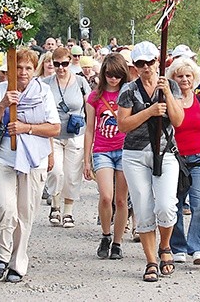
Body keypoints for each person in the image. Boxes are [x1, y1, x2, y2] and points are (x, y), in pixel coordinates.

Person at [0, 49, 61, 283]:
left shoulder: (43, 92)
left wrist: (27, 128)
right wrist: (3, 105)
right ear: (11, 69)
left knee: (25, 212)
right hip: (2, 156)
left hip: (32, 157)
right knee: (5, 207)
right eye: (19, 68)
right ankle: (0, 256)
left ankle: (18, 261)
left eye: (28, 68)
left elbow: (54, 128)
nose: (24, 72)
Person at [117, 41, 184, 282]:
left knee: (166, 205)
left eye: (150, 62)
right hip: (135, 154)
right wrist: (149, 111)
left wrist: (166, 95)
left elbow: (177, 120)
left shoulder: (171, 85)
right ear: (135, 66)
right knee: (144, 208)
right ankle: (151, 260)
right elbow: (122, 125)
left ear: (158, 62)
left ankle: (164, 246)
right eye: (140, 63)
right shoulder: (128, 90)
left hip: (165, 151)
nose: (146, 67)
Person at [167, 57, 200, 266]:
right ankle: (177, 246)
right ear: (173, 78)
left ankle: (198, 248)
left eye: (188, 76)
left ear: (194, 78)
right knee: (175, 203)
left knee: (199, 203)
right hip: (175, 159)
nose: (184, 79)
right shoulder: (169, 101)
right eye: (179, 76)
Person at [83, 53, 129, 259]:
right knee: (106, 195)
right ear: (104, 74)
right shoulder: (94, 96)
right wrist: (86, 159)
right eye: (110, 75)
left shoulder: (128, 94)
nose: (113, 79)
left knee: (121, 200)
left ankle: (118, 242)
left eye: (117, 75)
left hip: (125, 149)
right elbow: (90, 129)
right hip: (102, 149)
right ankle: (105, 234)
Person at [42, 47, 91, 228]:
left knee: (72, 174)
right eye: (57, 64)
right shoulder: (46, 83)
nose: (61, 68)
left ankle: (68, 211)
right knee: (56, 171)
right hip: (53, 134)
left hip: (76, 133)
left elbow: (89, 108)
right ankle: (55, 206)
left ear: (70, 62)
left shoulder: (80, 82)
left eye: (64, 64)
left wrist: (90, 138)